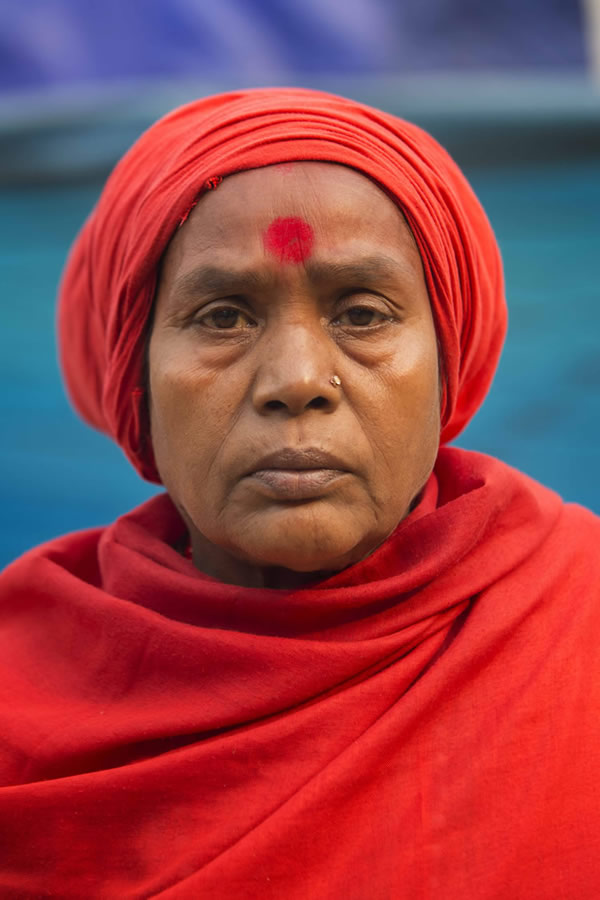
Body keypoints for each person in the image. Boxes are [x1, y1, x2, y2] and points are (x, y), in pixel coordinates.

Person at [1, 87, 599, 899]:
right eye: (221, 317)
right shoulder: (22, 687)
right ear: (132, 373)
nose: (297, 382)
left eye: (362, 312)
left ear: (448, 357)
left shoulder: (577, 614)